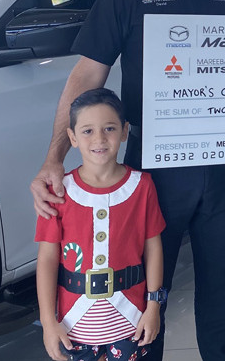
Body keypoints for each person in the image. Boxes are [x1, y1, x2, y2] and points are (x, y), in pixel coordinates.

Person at [30, 0, 225, 361]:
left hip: (223, 173)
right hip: (154, 177)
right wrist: (54, 156)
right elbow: (87, 75)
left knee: (221, 306)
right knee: (143, 305)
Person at [36, 88, 166, 361]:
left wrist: (154, 306)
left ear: (124, 131)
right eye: (87, 131)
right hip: (74, 327)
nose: (99, 139)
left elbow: (152, 248)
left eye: (109, 128)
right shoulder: (58, 192)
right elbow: (48, 258)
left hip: (131, 322)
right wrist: (48, 323)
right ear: (72, 137)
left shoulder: (142, 186)